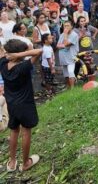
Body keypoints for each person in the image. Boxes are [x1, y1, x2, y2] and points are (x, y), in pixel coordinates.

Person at [0, 40, 42, 172]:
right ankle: (25, 163)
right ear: (19, 53)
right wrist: (20, 54)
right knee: (26, 132)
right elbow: (39, 51)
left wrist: (13, 54)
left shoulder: (3, 64)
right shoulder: (23, 66)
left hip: (11, 104)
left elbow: (2, 52)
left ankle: (12, 163)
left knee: (14, 131)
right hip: (25, 105)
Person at [57, 21, 79, 89]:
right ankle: (68, 87)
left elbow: (66, 43)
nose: (66, 27)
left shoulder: (74, 35)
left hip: (71, 56)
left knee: (70, 72)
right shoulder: (62, 35)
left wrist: (65, 35)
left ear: (71, 26)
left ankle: (72, 88)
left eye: (67, 25)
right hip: (63, 57)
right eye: (65, 26)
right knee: (65, 73)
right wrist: (63, 44)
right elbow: (57, 45)